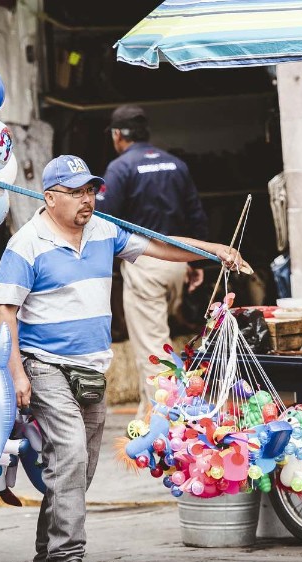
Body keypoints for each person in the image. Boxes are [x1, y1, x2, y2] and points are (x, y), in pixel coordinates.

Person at [0, 154, 247, 562]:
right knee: (69, 455)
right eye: (75, 193)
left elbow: (158, 244)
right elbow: (4, 313)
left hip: (93, 369)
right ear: (50, 198)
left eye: (90, 190)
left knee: (79, 468)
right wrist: (17, 374)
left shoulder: (104, 232)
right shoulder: (26, 244)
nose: (86, 200)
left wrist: (211, 250)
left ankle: (46, 556)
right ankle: (69, 557)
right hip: (45, 365)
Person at [98, 105, 210, 419]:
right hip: (178, 265)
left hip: (145, 264)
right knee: (161, 341)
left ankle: (171, 421)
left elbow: (106, 221)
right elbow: (196, 214)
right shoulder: (176, 165)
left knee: (152, 350)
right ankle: (149, 414)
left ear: (118, 135)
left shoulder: (120, 169)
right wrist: (196, 263)